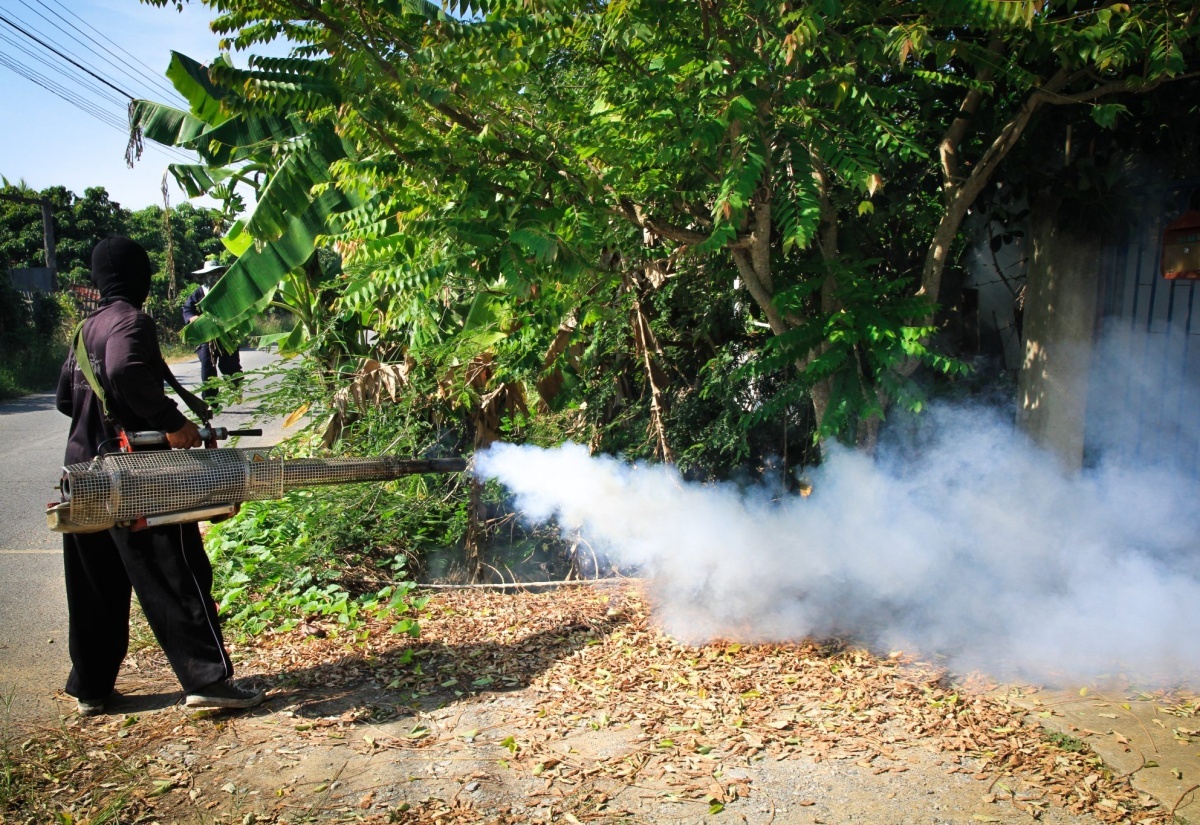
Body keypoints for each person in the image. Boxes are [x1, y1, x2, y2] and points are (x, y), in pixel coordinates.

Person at [56, 236, 265, 715]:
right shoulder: (131, 320)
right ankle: (207, 681)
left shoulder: (84, 329)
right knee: (179, 572)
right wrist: (172, 424)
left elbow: (65, 401)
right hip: (135, 475)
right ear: (140, 278)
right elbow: (126, 369)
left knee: (96, 587)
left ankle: (92, 689)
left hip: (84, 472)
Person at [183, 258, 243, 401]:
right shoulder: (198, 293)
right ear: (204, 276)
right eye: (210, 274)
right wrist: (191, 317)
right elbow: (187, 309)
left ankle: (236, 390)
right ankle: (210, 400)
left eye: (216, 273)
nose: (213, 276)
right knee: (208, 366)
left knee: (230, 366)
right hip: (207, 337)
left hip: (227, 334)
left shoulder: (228, 291)